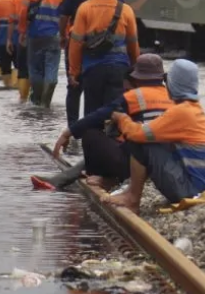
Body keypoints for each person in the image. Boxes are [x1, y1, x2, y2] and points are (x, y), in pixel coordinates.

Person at [34, 54, 173, 192]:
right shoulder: (172, 97)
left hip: (137, 164)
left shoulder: (133, 96)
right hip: (166, 163)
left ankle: (104, 179)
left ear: (137, 78)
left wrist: (68, 132)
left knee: (91, 134)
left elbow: (99, 115)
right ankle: (64, 179)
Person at [104, 59, 205, 212]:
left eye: (166, 80)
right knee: (151, 138)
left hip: (190, 192)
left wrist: (122, 119)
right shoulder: (193, 108)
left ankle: (132, 197)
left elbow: (137, 134)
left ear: (174, 84)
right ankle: (130, 192)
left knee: (140, 141)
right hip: (201, 189)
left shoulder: (181, 112)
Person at [69, 0, 139, 119]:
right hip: (119, 70)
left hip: (92, 70)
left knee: (92, 114)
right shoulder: (126, 10)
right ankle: (111, 133)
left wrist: (74, 72)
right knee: (115, 113)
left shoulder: (85, 8)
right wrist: (135, 69)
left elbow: (76, 43)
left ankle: (92, 133)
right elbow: (133, 43)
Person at [59, 0, 112, 133]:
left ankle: (73, 129)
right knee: (98, 89)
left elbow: (63, 16)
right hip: (103, 48)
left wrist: (62, 36)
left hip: (76, 43)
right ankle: (97, 129)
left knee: (74, 87)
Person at [20, 0, 69, 108]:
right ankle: (46, 102)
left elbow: (23, 11)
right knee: (51, 67)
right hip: (54, 36)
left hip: (34, 35)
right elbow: (67, 17)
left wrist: (22, 31)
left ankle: (36, 100)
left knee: (35, 69)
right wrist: (64, 35)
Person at [12, 0, 40, 103]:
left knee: (23, 69)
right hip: (38, 36)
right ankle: (37, 99)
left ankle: (22, 99)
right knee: (37, 68)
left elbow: (15, 18)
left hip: (22, 36)